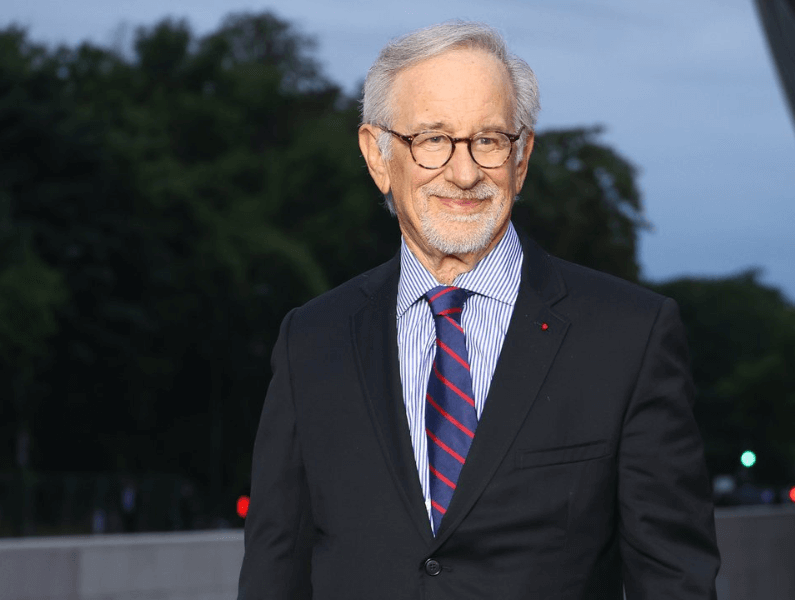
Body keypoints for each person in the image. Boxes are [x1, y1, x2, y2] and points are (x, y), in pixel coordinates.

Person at [237, 20, 719, 600]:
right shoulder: (311, 342)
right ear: (378, 155)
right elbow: (274, 570)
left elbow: (674, 580)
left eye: (488, 140)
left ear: (522, 156)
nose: (464, 173)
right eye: (432, 139)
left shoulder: (628, 337)